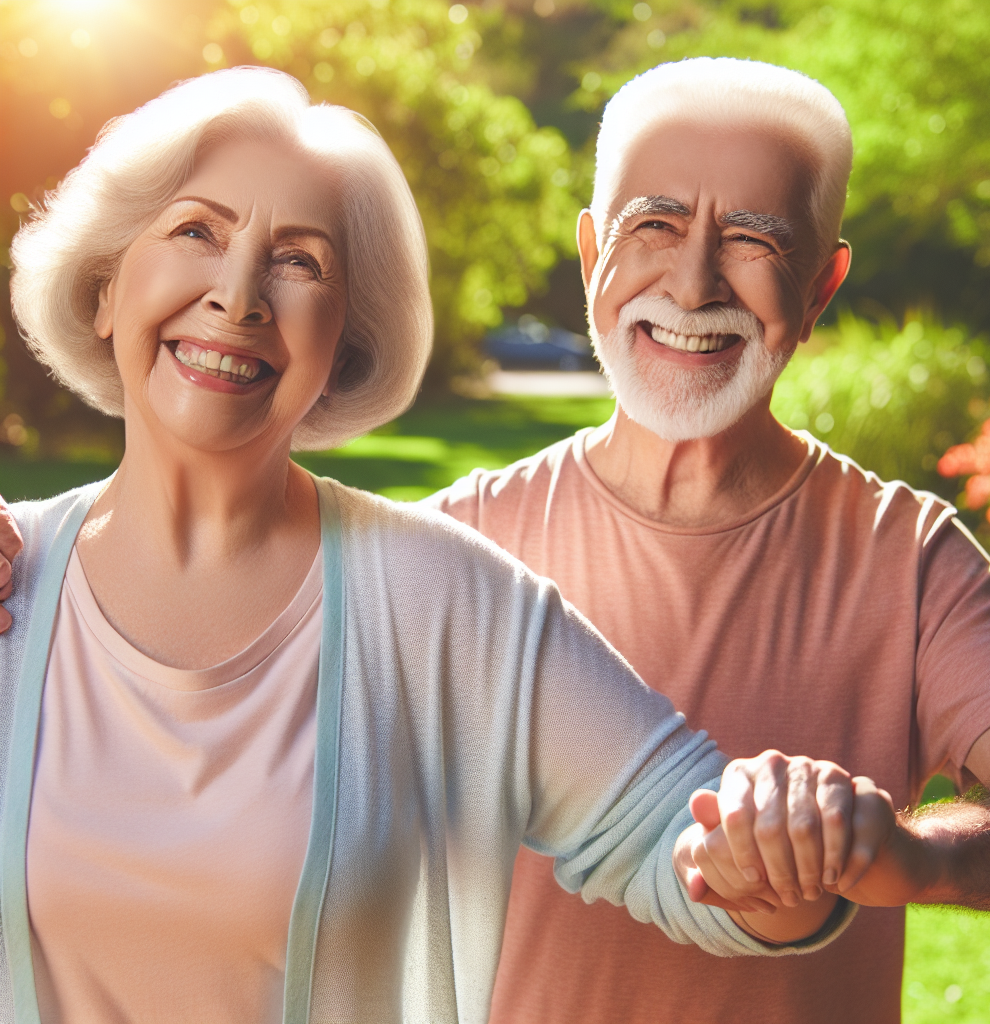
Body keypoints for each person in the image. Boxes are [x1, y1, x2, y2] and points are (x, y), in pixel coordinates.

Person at [0, 67, 899, 1024]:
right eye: (196, 232)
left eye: (299, 261)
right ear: (104, 289)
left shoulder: (446, 601)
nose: (238, 295)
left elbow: (682, 842)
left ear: (344, 338)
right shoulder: (13, 582)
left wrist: (785, 839)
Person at [425, 59, 990, 1024]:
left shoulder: (911, 560)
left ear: (821, 283)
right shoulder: (452, 546)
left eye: (751, 239)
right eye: (653, 226)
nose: (695, 281)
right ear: (592, 257)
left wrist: (909, 855)